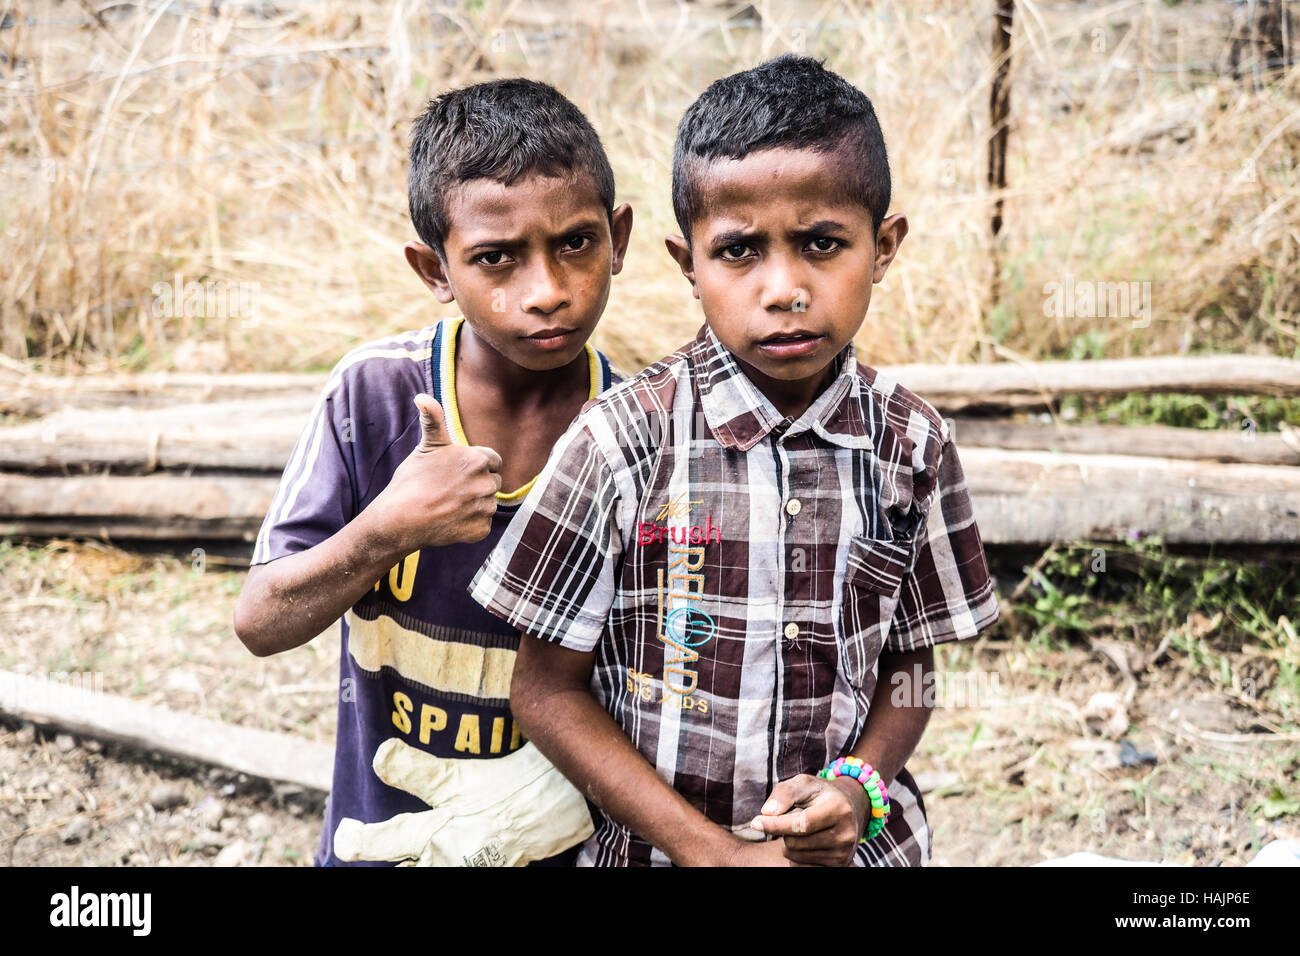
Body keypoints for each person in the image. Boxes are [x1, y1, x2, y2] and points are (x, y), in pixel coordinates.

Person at [469, 54, 1000, 866]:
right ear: (689, 265)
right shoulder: (621, 443)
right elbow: (544, 693)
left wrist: (859, 786)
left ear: (884, 246)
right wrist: (711, 854)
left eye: (823, 243)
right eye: (741, 251)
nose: (784, 287)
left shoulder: (913, 445)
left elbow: (909, 663)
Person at [233, 78, 633, 866]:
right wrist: (389, 527)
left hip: (560, 842)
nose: (547, 291)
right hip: (388, 838)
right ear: (434, 269)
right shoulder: (375, 394)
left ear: (618, 236)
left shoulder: (637, 431)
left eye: (576, 243)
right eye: (496, 258)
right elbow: (261, 621)